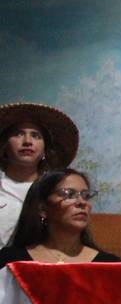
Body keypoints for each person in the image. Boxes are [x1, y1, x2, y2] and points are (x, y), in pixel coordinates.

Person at [0, 169, 121, 267]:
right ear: (42, 209)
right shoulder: (11, 261)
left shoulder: (109, 265)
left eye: (85, 196)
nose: (82, 202)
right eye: (69, 194)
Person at [0, 102, 79, 246]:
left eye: (36, 136)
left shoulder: (56, 191)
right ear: (4, 145)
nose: (27, 141)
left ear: (45, 150)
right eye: (18, 134)